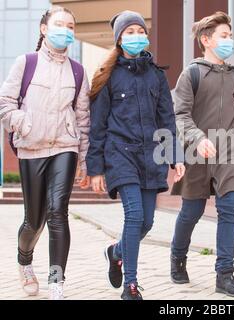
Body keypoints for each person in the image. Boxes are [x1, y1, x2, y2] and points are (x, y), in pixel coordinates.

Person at [86, 10, 185, 301]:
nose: (136, 37)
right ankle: (131, 285)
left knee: (147, 223)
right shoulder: (109, 76)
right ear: (118, 39)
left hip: (150, 156)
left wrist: (175, 156)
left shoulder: (156, 75)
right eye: (129, 33)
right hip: (120, 154)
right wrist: (95, 169)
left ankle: (115, 253)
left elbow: (167, 120)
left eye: (140, 32)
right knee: (134, 216)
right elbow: (98, 125)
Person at [0, 6, 90, 299]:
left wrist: (84, 160)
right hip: (32, 147)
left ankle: (56, 282)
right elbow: (5, 103)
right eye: (59, 24)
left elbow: (83, 120)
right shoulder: (26, 63)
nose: (65, 30)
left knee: (57, 212)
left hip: (65, 146)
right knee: (34, 220)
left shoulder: (78, 71)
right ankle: (24, 262)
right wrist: (21, 123)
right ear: (44, 29)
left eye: (71, 26)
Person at [170, 11, 234, 298]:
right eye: (224, 36)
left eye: (231, 35)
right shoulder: (191, 73)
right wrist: (197, 138)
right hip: (197, 153)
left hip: (228, 153)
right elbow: (179, 115)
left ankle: (224, 274)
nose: (230, 40)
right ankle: (178, 256)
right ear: (206, 40)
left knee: (230, 210)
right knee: (191, 211)